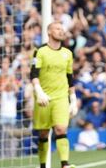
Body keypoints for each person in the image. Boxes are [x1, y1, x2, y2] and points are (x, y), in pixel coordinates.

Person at [30, 21, 78, 168]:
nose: (61, 31)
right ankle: (43, 165)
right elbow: (33, 74)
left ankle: (65, 164)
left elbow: (70, 77)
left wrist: (73, 99)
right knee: (44, 133)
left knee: (61, 129)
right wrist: (39, 92)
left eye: (62, 29)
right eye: (57, 28)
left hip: (61, 97)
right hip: (43, 98)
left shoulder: (68, 53)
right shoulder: (40, 51)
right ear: (49, 32)